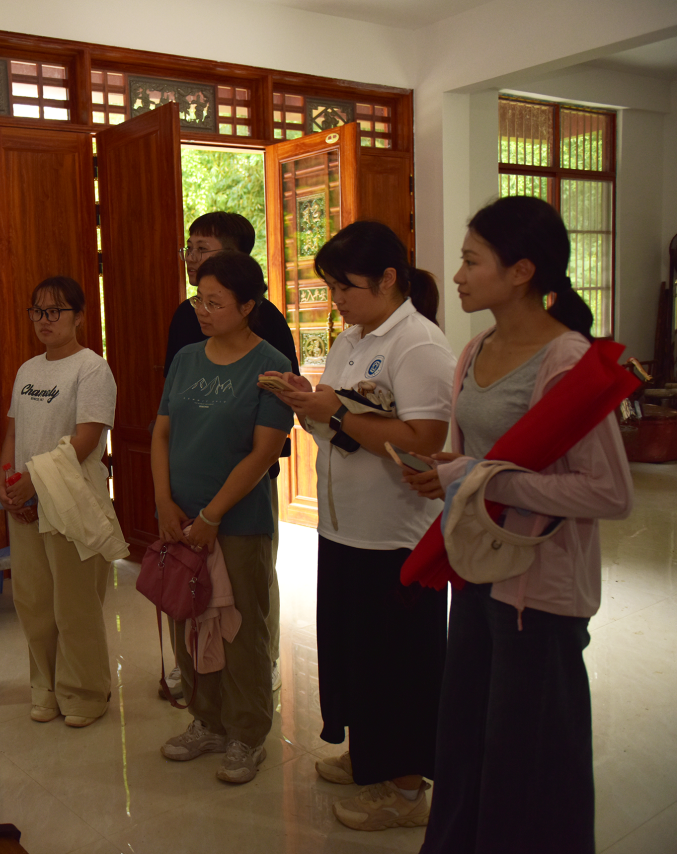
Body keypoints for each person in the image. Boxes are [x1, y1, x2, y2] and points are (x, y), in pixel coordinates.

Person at [405, 196, 632, 853]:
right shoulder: (476, 348)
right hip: (479, 571)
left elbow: (609, 491)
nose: (457, 276)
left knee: (527, 761)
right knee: (466, 741)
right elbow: (480, 459)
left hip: (541, 593)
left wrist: (480, 477)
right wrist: (450, 472)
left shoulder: (568, 361)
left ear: (522, 271)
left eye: (472, 261)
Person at [265, 221, 454, 829]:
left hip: (395, 536)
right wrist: (308, 401)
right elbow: (338, 421)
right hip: (344, 529)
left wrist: (339, 413)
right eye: (332, 286)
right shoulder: (351, 339)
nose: (337, 298)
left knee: (400, 667)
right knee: (358, 658)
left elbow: (423, 441)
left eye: (345, 286)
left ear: (388, 278)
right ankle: (371, 756)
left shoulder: (418, 345)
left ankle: (405, 792)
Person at [153, 252, 292, 784]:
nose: (202, 311)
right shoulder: (187, 358)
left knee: (240, 628)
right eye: (199, 300)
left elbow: (264, 452)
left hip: (238, 521)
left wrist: (212, 515)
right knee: (187, 621)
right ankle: (206, 721)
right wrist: (164, 501)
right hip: (181, 517)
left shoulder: (271, 366)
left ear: (248, 306)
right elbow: (162, 432)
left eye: (216, 303)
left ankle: (247, 734)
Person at [0, 276, 118, 729]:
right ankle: (45, 688)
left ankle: (85, 692)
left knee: (74, 605)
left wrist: (35, 480)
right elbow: (13, 432)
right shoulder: (27, 370)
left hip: (70, 499)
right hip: (26, 499)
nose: (44, 320)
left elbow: (87, 439)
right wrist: (7, 480)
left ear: (80, 316)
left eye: (55, 311)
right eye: (37, 311)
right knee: (33, 602)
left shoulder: (92, 368)